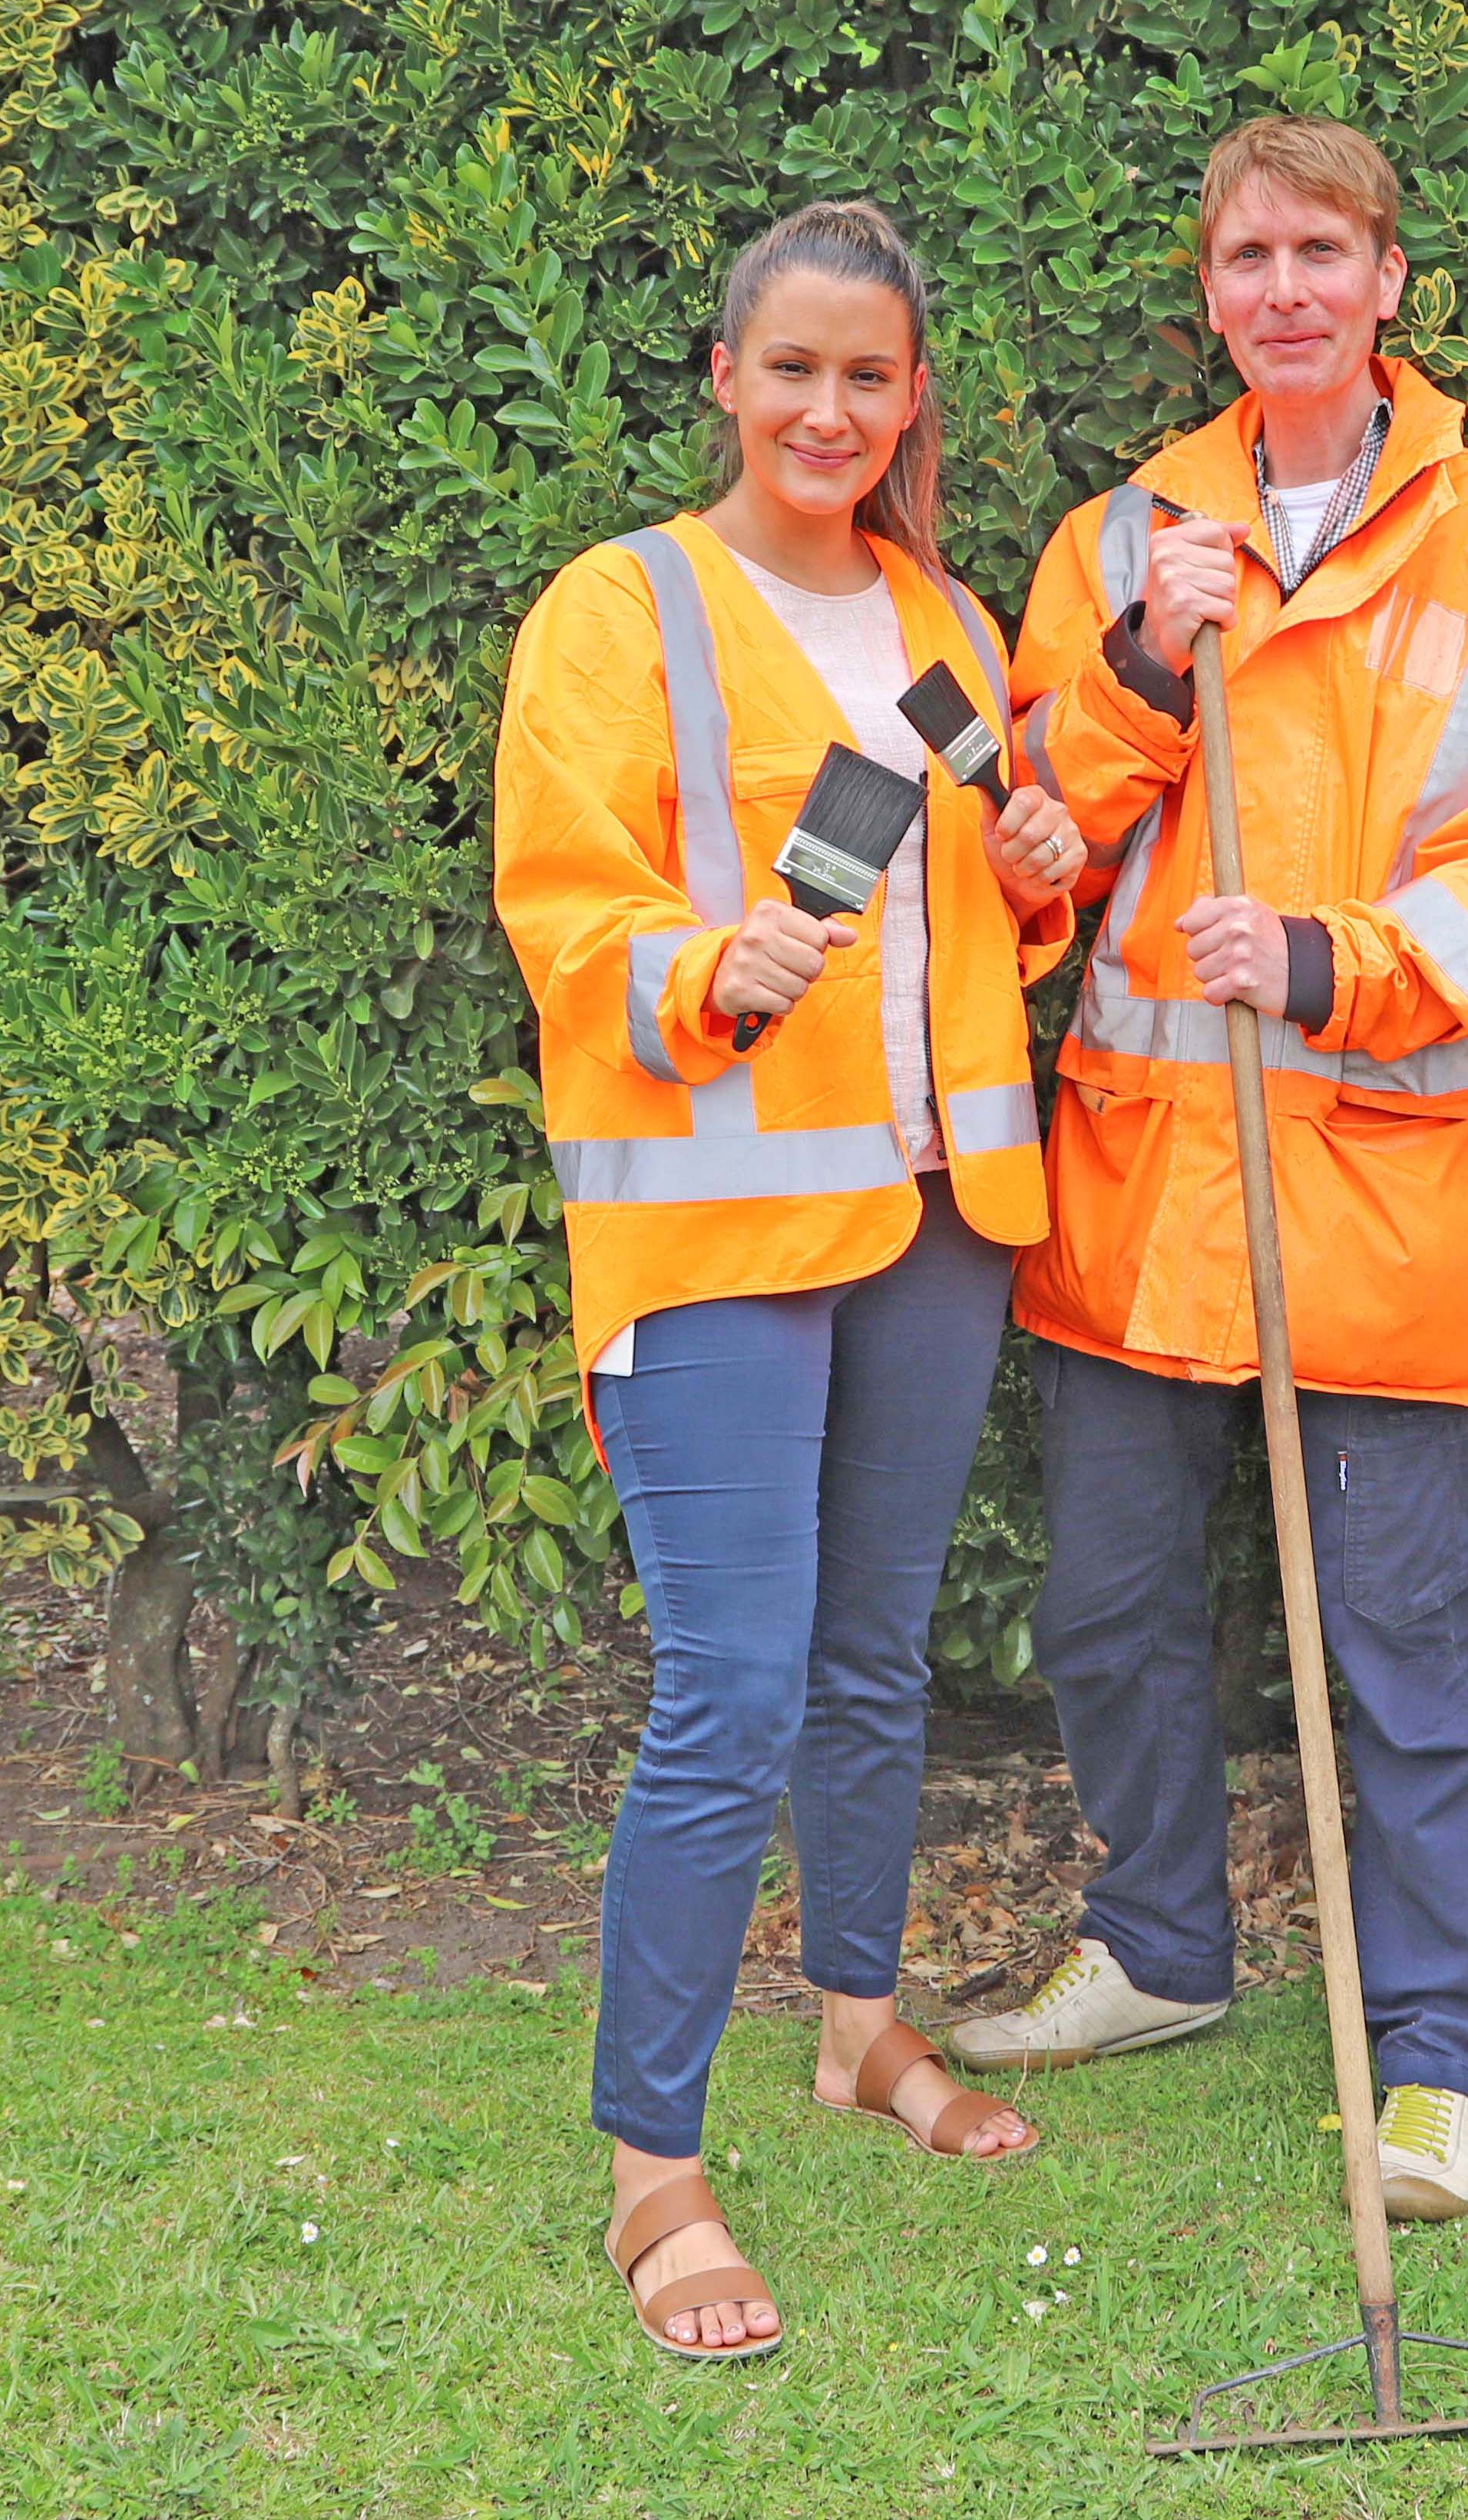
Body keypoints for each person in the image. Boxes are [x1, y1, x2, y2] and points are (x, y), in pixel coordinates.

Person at [937, 116, 1468, 2228]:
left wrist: (1335, 959)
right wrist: (1146, 663)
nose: (1288, 288)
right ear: (1213, 294)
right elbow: (1025, 836)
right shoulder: (1121, 532)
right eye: (1250, 257)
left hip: (1385, 1182)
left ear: (1392, 280)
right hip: (1153, 1191)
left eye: (1323, 249)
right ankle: (1158, 1947)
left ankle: (1440, 2049)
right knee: (1111, 1608)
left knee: (1403, 1647)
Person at [493, 200, 1102, 2363]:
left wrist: (1040, 872)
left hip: (933, 1221)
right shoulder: (623, 608)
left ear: (910, 395)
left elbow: (988, 891)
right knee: (729, 1691)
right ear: (728, 382)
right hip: (718, 1232)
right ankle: (654, 2168)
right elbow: (566, 900)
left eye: (872, 376)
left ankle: (859, 2030)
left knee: (870, 1666)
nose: (832, 408)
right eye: (796, 371)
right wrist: (686, 966)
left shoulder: (937, 619)